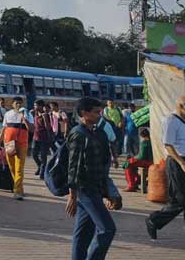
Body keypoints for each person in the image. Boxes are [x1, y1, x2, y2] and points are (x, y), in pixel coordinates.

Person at [146, 95, 185, 250]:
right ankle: (155, 220)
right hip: (179, 164)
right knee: (180, 200)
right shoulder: (170, 120)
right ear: (180, 106)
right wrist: (183, 164)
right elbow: (168, 146)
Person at [66, 97, 118, 260]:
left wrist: (108, 192)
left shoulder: (97, 133)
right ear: (84, 113)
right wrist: (72, 196)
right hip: (85, 189)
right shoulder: (78, 134)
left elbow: (103, 166)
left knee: (83, 233)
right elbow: (73, 167)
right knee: (107, 229)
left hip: (95, 187)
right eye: (96, 112)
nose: (99, 115)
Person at [0, 96, 33, 200]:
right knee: (12, 167)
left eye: (20, 103)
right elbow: (4, 128)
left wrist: (24, 117)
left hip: (22, 144)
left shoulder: (28, 114)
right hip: (9, 144)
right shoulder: (8, 114)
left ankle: (17, 192)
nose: (19, 105)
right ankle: (20, 188)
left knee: (19, 168)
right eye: (16, 103)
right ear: (12, 104)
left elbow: (31, 129)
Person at [123, 127, 153, 192]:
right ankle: (135, 182)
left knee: (128, 164)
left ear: (141, 135)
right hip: (150, 161)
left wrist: (134, 158)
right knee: (131, 163)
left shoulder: (144, 142)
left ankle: (131, 185)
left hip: (147, 162)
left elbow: (142, 156)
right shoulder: (150, 141)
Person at [31, 99, 53, 178]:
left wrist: (45, 118)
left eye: (36, 105)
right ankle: (40, 166)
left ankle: (43, 172)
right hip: (35, 137)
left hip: (44, 138)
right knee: (34, 154)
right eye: (34, 105)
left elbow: (48, 127)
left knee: (43, 156)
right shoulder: (34, 113)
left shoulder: (45, 115)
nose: (35, 107)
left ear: (41, 106)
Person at [104, 100, 123, 167]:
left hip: (118, 127)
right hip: (111, 127)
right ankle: (114, 155)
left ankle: (118, 154)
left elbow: (121, 116)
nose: (111, 104)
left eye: (112, 102)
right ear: (107, 103)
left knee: (119, 140)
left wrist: (121, 122)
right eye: (109, 103)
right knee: (112, 141)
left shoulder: (117, 108)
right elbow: (106, 118)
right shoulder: (106, 109)